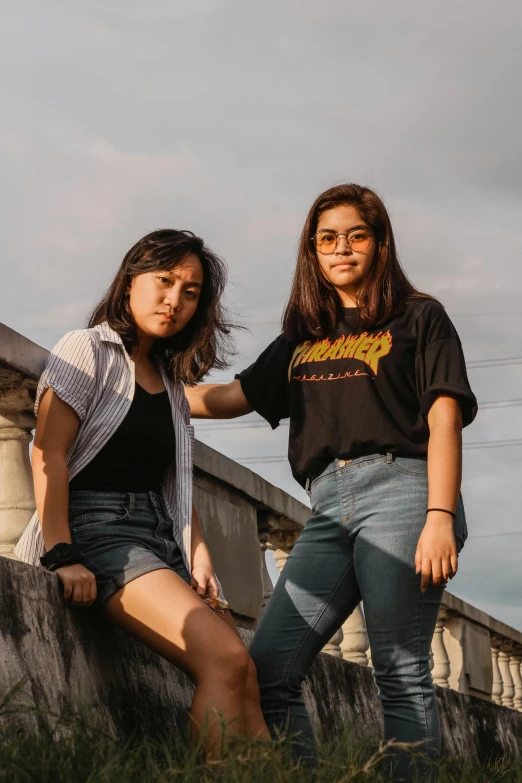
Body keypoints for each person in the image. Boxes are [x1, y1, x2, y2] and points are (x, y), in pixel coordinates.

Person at [185, 184, 477, 779]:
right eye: (327, 239)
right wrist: (136, 391)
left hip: (405, 491)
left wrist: (440, 516)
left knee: (398, 669)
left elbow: (444, 419)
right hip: (326, 504)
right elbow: (234, 395)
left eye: (356, 235)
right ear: (312, 252)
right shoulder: (304, 334)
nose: (341, 248)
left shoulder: (419, 317)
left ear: (379, 242)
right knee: (267, 670)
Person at [14, 229, 268, 755]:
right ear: (131, 280)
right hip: (98, 530)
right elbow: (48, 453)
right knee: (222, 660)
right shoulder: (88, 349)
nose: (175, 300)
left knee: (244, 674)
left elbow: (172, 479)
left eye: (191, 292)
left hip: (158, 535)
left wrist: (198, 554)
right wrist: (62, 554)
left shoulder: (170, 382)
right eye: (164, 281)